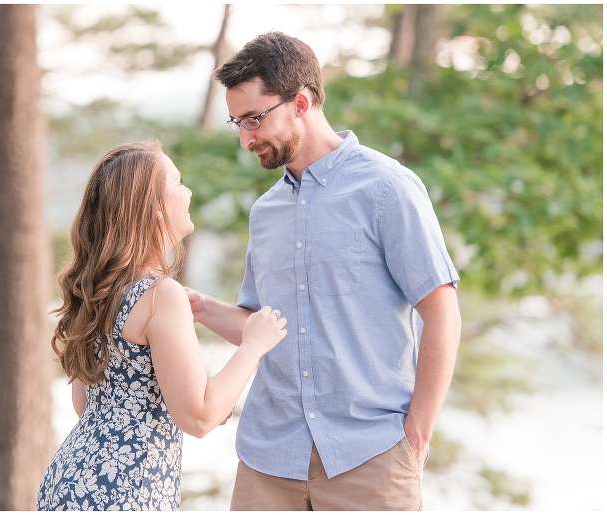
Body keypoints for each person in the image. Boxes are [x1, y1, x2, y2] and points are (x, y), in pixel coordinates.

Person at [185, 32, 462, 510]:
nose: (246, 138)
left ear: (300, 102)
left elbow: (443, 314)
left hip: (371, 459)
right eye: (237, 122)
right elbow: (261, 328)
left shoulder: (387, 188)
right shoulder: (265, 212)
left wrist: (416, 436)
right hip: (268, 463)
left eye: (254, 119)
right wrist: (201, 307)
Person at [36, 139, 287, 511]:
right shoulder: (160, 295)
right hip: (127, 493)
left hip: (71, 481)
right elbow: (200, 417)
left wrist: (178, 399)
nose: (188, 192)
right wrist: (253, 345)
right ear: (154, 207)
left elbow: (85, 403)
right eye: (178, 183)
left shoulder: (99, 290)